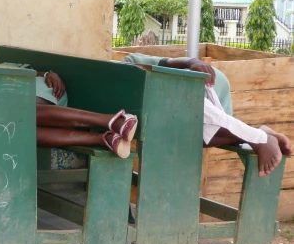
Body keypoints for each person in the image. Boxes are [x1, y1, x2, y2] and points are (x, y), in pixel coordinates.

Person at [122, 54, 291, 177]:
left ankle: (259, 138)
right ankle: (257, 135)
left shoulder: (126, 64)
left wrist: (192, 62)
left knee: (197, 128)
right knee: (195, 136)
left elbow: (166, 62)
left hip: (205, 81)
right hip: (180, 104)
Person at [6, 64, 138, 158]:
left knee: (23, 112)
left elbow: (26, 71)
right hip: (18, 116)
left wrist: (48, 74)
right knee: (23, 131)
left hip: (43, 92)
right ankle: (105, 139)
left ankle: (112, 120)